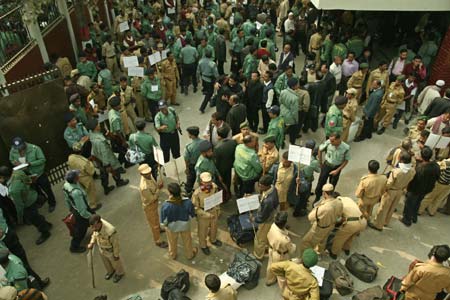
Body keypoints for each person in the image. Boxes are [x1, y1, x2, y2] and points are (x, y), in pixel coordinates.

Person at [0, 166, 51, 246]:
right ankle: (47, 224)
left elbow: (19, 205)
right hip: (32, 195)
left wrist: (20, 218)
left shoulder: (13, 189)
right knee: (36, 215)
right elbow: (28, 180)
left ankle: (45, 232)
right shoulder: (18, 173)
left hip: (27, 204)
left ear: (3, 177)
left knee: (34, 219)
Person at [0, 208, 50, 290]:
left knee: (23, 265)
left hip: (8, 240)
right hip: (5, 241)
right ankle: (36, 285)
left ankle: (38, 286)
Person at [9, 137, 56, 212]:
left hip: (38, 173)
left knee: (47, 189)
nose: (19, 149)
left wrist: (30, 163)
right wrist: (15, 163)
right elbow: (11, 159)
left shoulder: (35, 148)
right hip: (26, 175)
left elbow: (42, 160)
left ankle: (52, 203)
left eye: (20, 147)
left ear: (24, 143)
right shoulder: (13, 150)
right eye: (17, 148)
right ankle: (42, 199)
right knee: (36, 189)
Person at [86, 119, 129, 192]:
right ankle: (119, 181)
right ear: (96, 127)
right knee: (115, 169)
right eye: (98, 124)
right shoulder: (100, 141)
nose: (99, 125)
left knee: (103, 174)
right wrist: (107, 164)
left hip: (98, 157)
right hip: (107, 159)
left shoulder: (92, 135)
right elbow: (104, 153)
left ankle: (106, 188)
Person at [401, 146, 440, 226]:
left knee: (409, 204)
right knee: (418, 202)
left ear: (421, 156)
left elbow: (413, 179)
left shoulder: (420, 169)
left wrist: (407, 188)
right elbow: (437, 177)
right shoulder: (436, 166)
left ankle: (407, 220)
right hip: (427, 189)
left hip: (415, 190)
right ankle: (414, 217)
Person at [299, 184, 343, 255]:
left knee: (305, 243)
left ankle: (305, 257)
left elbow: (310, 217)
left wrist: (318, 206)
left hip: (319, 229)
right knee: (323, 241)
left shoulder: (324, 207)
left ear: (324, 193)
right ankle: (319, 252)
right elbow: (339, 215)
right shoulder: (339, 202)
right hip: (331, 226)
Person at [160, 183, 198, 260]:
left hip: (172, 227)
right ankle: (189, 254)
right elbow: (192, 214)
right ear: (180, 191)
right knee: (187, 241)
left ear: (170, 193)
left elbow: (163, 221)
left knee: (172, 242)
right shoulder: (187, 202)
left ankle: (173, 255)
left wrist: (166, 226)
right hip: (185, 225)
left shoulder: (166, 205)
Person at [62, 170, 93, 253]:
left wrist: (71, 209)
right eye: (77, 176)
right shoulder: (76, 193)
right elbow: (82, 210)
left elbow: (67, 199)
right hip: (80, 212)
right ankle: (74, 247)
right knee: (81, 230)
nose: (79, 176)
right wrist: (90, 216)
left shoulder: (66, 185)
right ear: (75, 179)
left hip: (74, 208)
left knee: (82, 227)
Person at [88, 215, 125, 283]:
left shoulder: (110, 231)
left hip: (110, 250)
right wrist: (92, 242)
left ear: (99, 223)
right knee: (106, 262)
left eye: (95, 227)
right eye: (92, 227)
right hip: (102, 248)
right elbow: (94, 234)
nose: (93, 229)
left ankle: (119, 273)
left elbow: (115, 244)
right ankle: (110, 271)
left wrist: (116, 255)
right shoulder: (96, 227)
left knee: (115, 263)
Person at [192, 172, 222, 255]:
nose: (208, 184)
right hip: (203, 213)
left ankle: (213, 239)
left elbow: (217, 199)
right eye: (205, 182)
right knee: (203, 231)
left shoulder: (214, 187)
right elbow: (195, 208)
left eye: (209, 181)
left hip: (214, 210)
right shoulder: (197, 193)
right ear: (201, 182)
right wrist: (206, 215)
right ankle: (203, 245)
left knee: (214, 227)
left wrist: (218, 209)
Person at [138, 164, 168, 249]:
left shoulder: (149, 176)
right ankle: (158, 241)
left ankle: (159, 229)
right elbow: (152, 199)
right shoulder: (144, 187)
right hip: (149, 206)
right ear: (141, 174)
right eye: (146, 173)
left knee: (156, 218)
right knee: (153, 224)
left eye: (149, 172)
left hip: (153, 204)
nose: (148, 174)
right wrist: (159, 189)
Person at [315, 133, 350, 203]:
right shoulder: (328, 143)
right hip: (327, 165)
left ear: (338, 139)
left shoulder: (346, 148)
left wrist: (337, 170)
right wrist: (320, 162)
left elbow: (346, 160)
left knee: (332, 185)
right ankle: (317, 197)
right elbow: (320, 149)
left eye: (333, 141)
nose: (331, 142)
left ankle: (329, 199)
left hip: (336, 168)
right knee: (321, 182)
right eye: (330, 140)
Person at [265, 212, 296, 286]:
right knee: (281, 271)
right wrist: (294, 246)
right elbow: (291, 249)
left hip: (272, 250)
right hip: (280, 255)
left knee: (270, 265)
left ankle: (269, 280)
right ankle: (283, 285)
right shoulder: (285, 239)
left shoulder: (273, 226)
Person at [252, 175, 279, 260]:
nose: (259, 187)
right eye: (259, 184)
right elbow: (262, 196)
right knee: (267, 235)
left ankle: (258, 255)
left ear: (267, 186)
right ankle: (266, 247)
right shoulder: (273, 188)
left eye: (261, 186)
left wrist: (254, 219)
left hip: (266, 220)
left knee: (259, 239)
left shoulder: (268, 201)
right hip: (272, 215)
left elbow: (262, 217)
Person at [67, 142, 100, 209]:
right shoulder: (84, 162)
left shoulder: (70, 157)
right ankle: (93, 206)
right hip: (86, 177)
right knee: (90, 191)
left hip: (77, 177)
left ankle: (86, 204)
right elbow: (91, 171)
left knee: (83, 191)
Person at [108, 96, 132, 168]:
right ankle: (127, 164)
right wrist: (123, 141)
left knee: (121, 151)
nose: (120, 105)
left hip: (115, 135)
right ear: (115, 106)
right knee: (124, 149)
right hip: (117, 137)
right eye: (119, 104)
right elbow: (118, 131)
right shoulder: (115, 118)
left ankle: (120, 162)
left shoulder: (111, 112)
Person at [213, 126, 237, 196]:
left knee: (221, 182)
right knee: (228, 179)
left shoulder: (217, 148)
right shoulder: (233, 142)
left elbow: (216, 161)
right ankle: (228, 191)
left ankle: (224, 194)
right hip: (230, 164)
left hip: (221, 167)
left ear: (219, 136)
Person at [280, 78, 300, 145]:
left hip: (282, 113)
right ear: (293, 86)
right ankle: (292, 142)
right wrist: (296, 120)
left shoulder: (283, 92)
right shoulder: (295, 98)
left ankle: (282, 142)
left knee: (282, 130)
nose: (298, 85)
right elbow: (294, 111)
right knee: (292, 132)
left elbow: (280, 101)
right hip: (290, 117)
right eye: (297, 84)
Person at [183, 126, 202, 196]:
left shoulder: (189, 146)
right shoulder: (203, 142)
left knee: (190, 179)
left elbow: (186, 159)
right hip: (201, 164)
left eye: (188, 133)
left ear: (191, 135)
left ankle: (188, 191)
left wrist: (187, 168)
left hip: (193, 165)